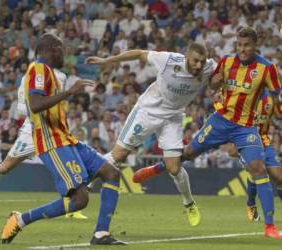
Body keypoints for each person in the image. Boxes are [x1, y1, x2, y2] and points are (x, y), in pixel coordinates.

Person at [133, 27, 282, 238]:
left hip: (246, 127)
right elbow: (213, 86)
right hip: (220, 121)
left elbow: (276, 96)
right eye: (239, 45)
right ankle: (157, 168)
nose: (242, 49)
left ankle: (270, 226)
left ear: (255, 44)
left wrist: (276, 109)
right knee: (190, 153)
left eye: (246, 45)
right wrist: (216, 82)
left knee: (258, 168)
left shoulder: (267, 68)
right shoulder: (227, 61)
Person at [0, 33, 125, 245]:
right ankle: (20, 220)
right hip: (51, 141)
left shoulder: (51, 73)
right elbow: (36, 104)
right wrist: (69, 92)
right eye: (62, 50)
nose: (65, 55)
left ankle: (101, 233)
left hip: (67, 139)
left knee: (111, 173)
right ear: (53, 49)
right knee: (80, 199)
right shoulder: (38, 69)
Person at [86, 43, 217, 227]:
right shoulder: (169, 60)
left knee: (174, 167)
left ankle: (189, 203)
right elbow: (139, 53)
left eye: (202, 62)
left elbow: (227, 71)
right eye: (195, 61)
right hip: (147, 111)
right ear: (187, 55)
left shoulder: (210, 66)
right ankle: (83, 183)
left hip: (173, 117)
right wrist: (108, 60)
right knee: (118, 155)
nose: (198, 66)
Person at [0, 68, 87, 219]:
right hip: (31, 132)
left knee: (70, 165)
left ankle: (74, 208)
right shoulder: (28, 78)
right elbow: (21, 109)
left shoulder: (61, 76)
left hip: (53, 130)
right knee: (5, 167)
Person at [224, 88, 282, 222]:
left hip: (264, 141)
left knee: (280, 177)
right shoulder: (240, 95)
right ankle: (251, 204)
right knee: (256, 171)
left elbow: (279, 114)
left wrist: (278, 102)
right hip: (245, 141)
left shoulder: (270, 99)